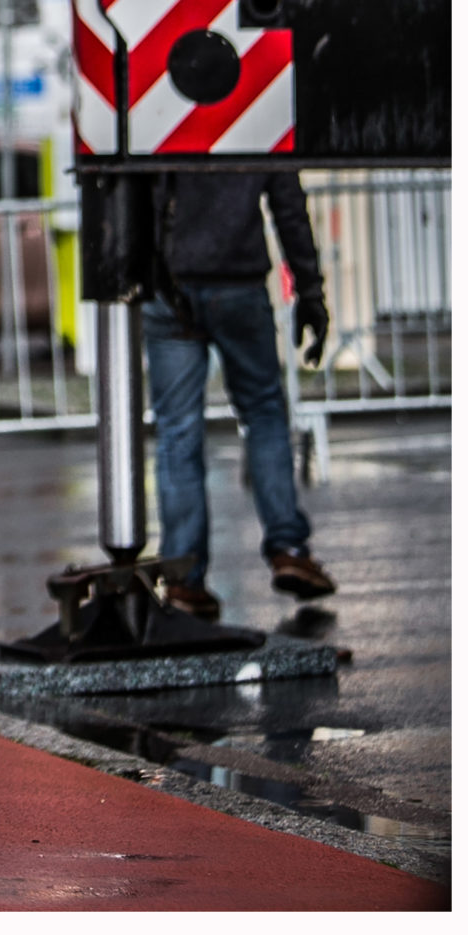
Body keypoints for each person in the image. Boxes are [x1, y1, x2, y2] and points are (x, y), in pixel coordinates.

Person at [145, 169, 336, 619]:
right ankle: (289, 547)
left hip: (169, 282)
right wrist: (310, 289)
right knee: (264, 414)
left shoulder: (157, 103)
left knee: (178, 432)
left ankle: (184, 577)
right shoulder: (255, 104)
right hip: (239, 282)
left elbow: (132, 194)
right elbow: (288, 204)